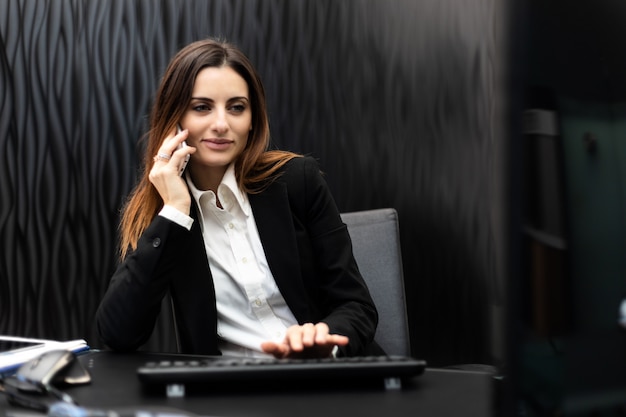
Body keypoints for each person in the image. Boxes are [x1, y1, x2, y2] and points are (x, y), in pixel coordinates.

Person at [95, 38, 381, 359]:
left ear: (252, 119)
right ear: (174, 120)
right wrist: (175, 210)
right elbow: (118, 333)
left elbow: (356, 305)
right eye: (201, 107)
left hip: (329, 378)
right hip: (234, 395)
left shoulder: (298, 180)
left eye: (236, 107)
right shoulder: (164, 217)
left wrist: (325, 338)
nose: (221, 124)